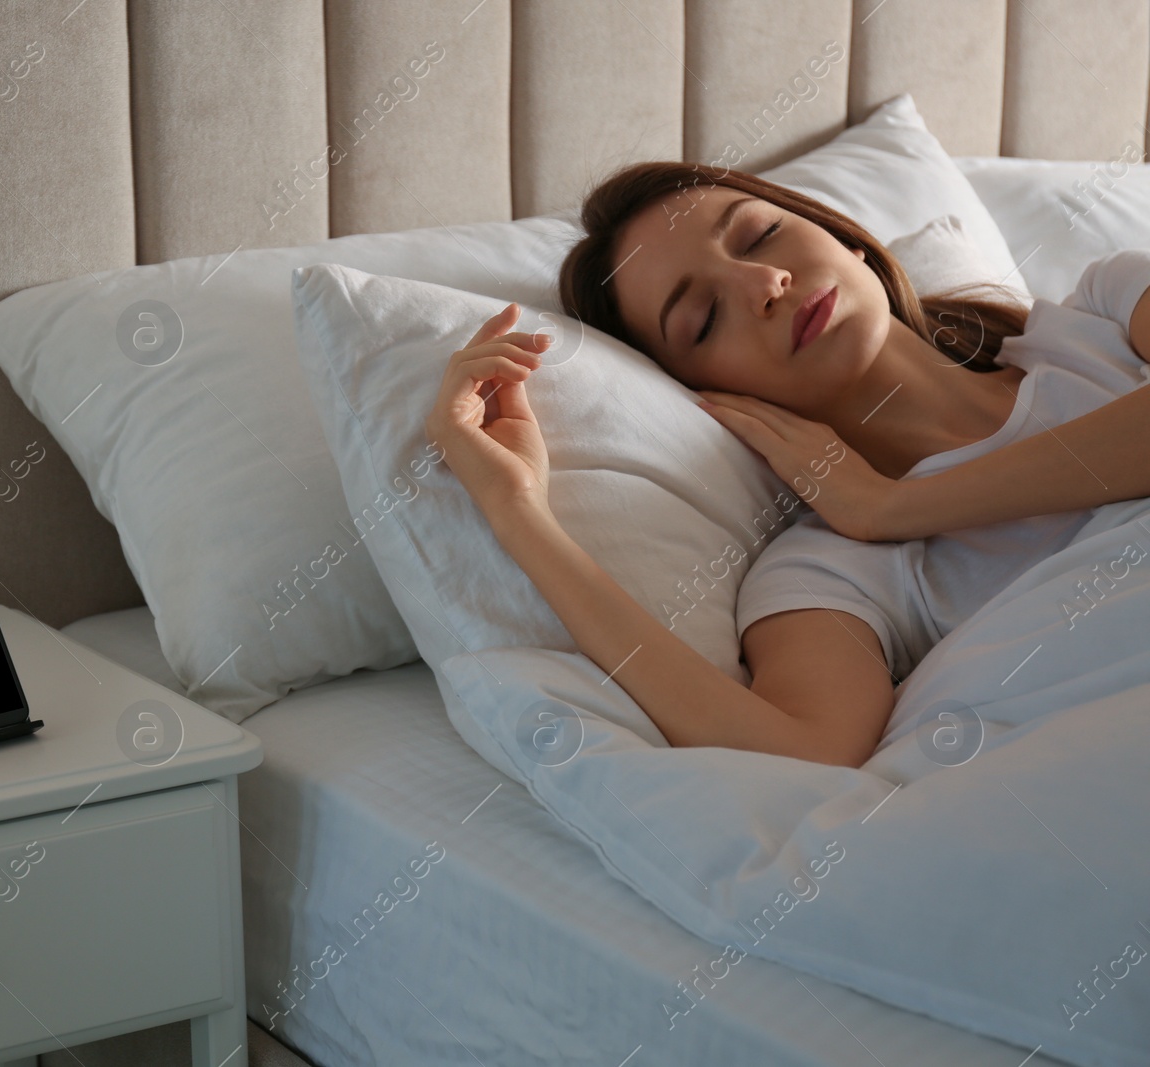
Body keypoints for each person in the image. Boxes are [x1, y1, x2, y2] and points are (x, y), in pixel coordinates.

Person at [425, 161, 1150, 768]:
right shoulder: (831, 567)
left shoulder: (1107, 312)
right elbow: (801, 753)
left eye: (759, 235)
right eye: (703, 320)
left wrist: (895, 507)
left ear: (845, 239)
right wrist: (519, 513)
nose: (762, 283)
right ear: (704, 394)